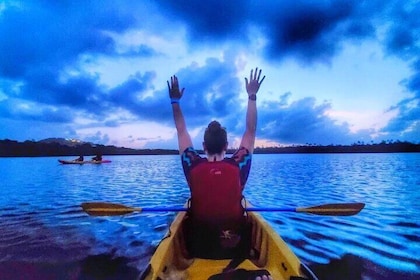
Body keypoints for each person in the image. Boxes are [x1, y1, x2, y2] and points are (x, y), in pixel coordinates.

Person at [168, 68, 268, 277]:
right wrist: (252, 96)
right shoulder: (239, 165)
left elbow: (181, 130)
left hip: (199, 248)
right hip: (236, 249)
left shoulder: (192, 164)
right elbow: (250, 132)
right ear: (227, 145)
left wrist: (175, 101)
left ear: (203, 146)